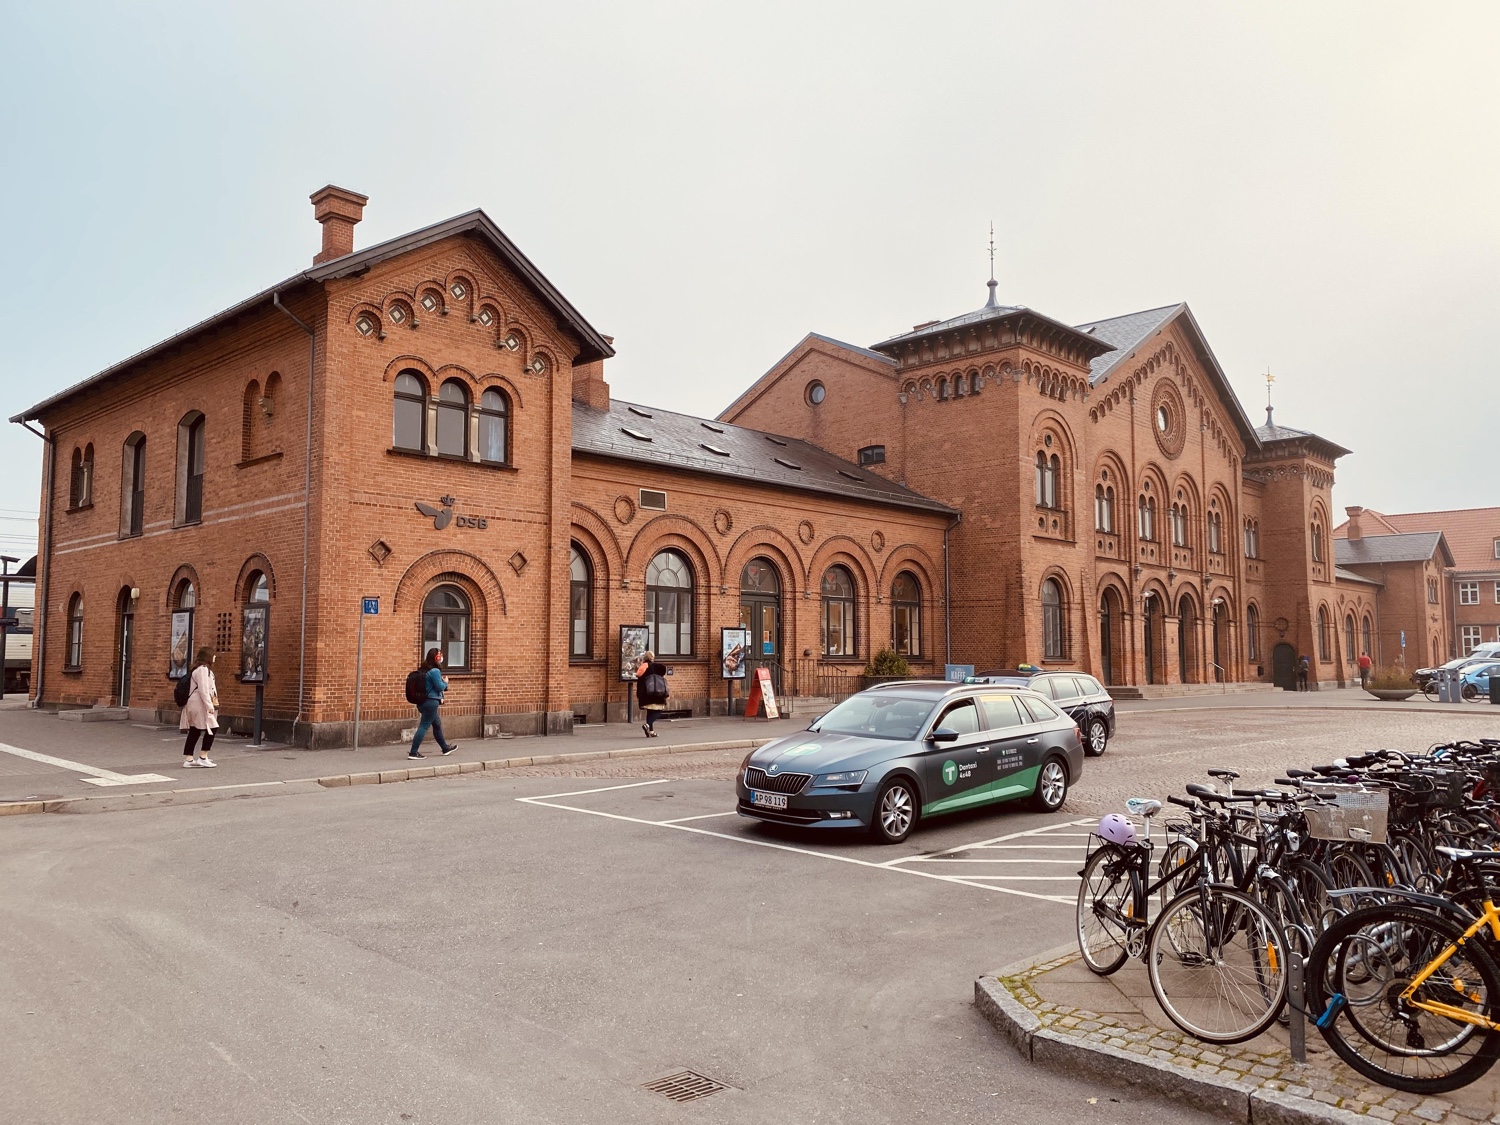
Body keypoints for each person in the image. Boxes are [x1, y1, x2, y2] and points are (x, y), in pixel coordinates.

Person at [409, 648, 459, 760]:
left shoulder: (423, 670)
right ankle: (413, 752)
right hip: (431, 702)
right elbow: (440, 687)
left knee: (436, 724)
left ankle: (445, 748)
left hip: (422, 701)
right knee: (424, 726)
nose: (441, 657)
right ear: (435, 657)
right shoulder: (435, 671)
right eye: (439, 655)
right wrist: (445, 682)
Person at [180, 647, 220, 767]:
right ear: (208, 656)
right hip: (200, 704)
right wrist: (209, 706)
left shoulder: (200, 669)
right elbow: (203, 690)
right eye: (213, 655)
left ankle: (189, 758)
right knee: (212, 728)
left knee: (195, 730)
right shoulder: (203, 670)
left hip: (195, 703)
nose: (215, 657)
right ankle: (203, 756)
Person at [636, 650, 668, 738]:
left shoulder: (643, 666)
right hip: (657, 692)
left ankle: (651, 731)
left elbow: (638, 675)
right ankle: (648, 725)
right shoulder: (658, 667)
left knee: (650, 711)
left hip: (646, 693)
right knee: (659, 710)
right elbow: (664, 669)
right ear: (653, 658)